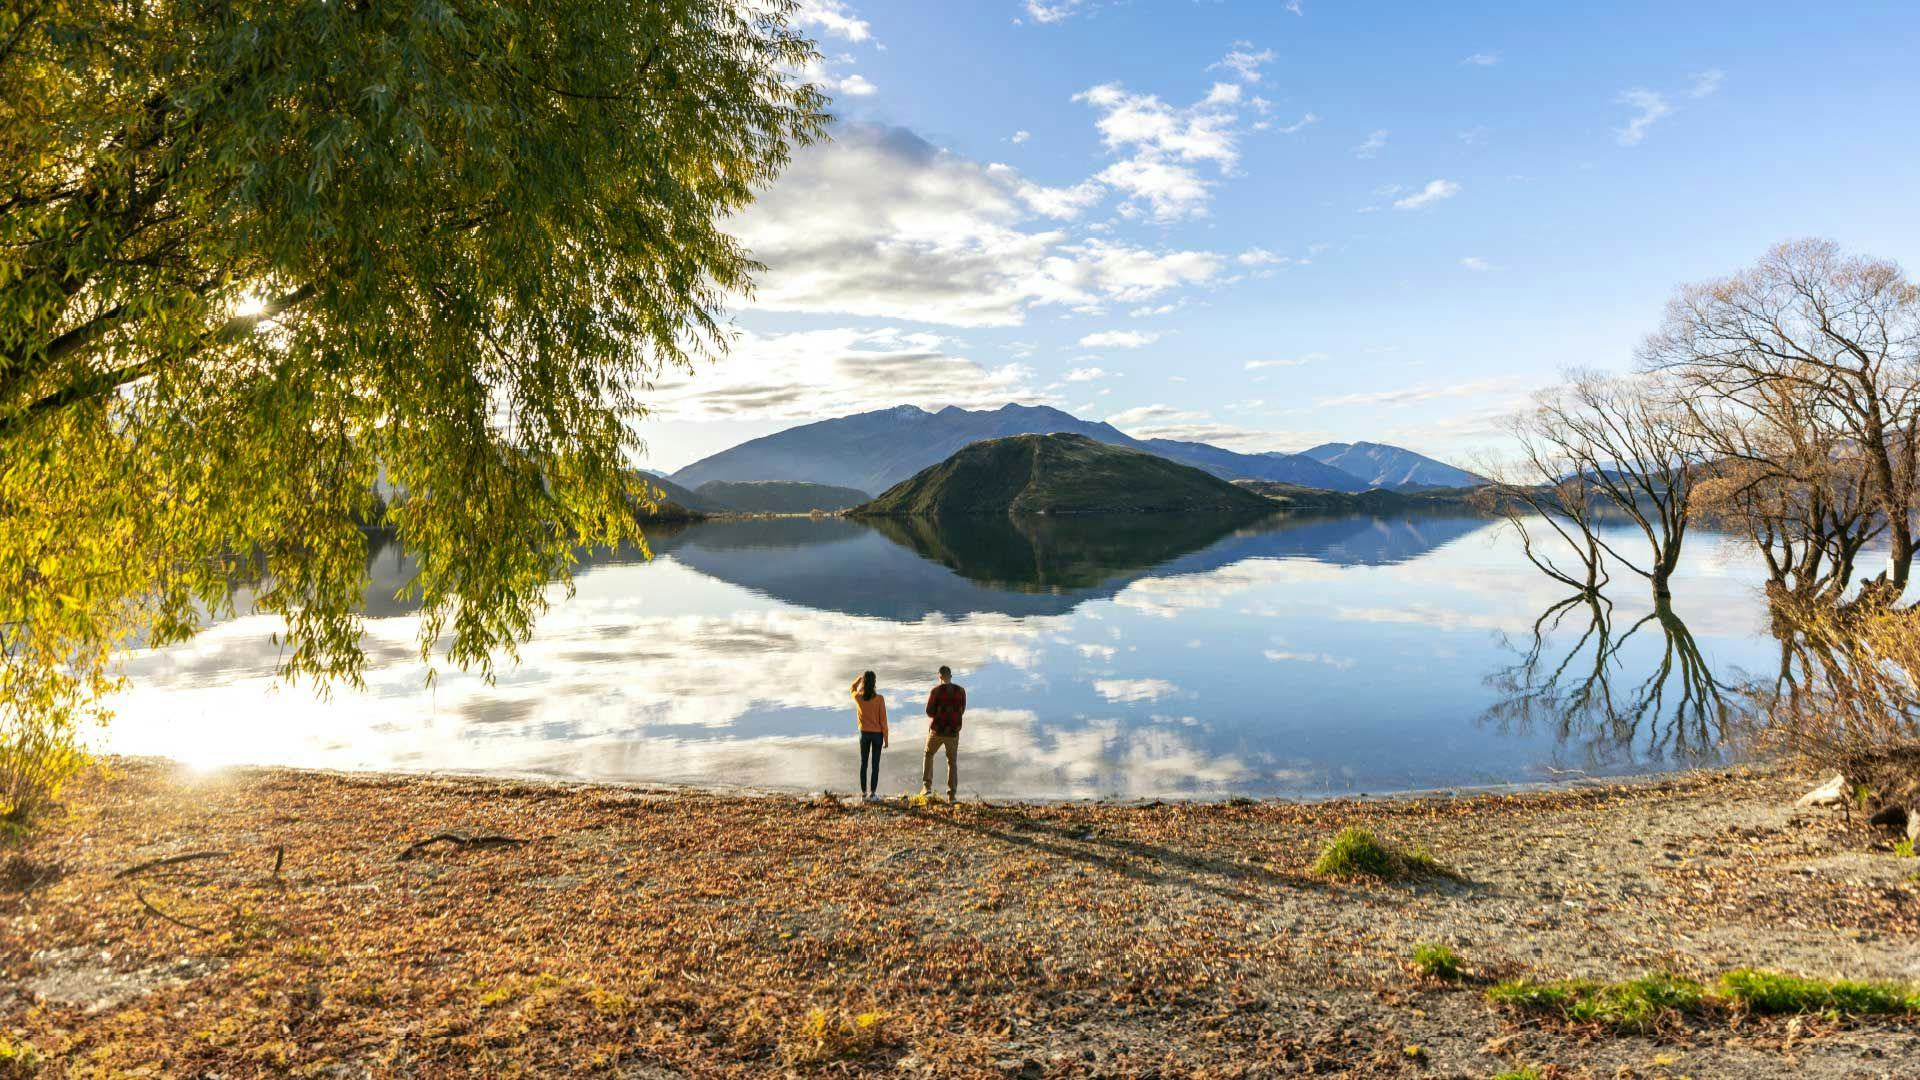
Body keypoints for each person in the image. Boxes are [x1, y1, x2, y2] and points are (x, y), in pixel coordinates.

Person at [921, 664, 965, 802]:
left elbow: (929, 712)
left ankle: (927, 787)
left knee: (928, 754)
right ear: (950, 676)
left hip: (937, 730)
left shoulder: (935, 691)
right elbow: (962, 710)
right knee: (952, 761)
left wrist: (939, 714)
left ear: (939, 677)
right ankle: (952, 795)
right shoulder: (961, 691)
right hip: (952, 731)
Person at [850, 670, 887, 799]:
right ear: (875, 683)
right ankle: (873, 793)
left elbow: (852, 688)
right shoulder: (880, 699)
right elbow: (883, 720)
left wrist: (859, 679)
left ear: (864, 683)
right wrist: (886, 739)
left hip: (864, 734)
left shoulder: (858, 697)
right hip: (877, 735)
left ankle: (864, 793)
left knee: (863, 763)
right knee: (875, 765)